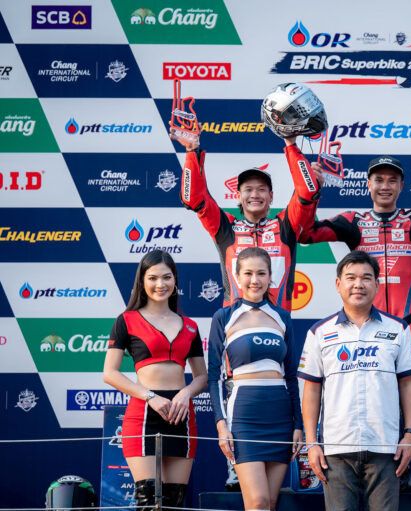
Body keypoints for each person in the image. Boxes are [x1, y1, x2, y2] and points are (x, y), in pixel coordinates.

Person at [173, 93, 323, 310]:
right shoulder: (226, 227)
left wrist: (290, 144)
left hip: (277, 324)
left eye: (261, 189)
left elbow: (307, 192)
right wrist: (191, 151)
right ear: (238, 196)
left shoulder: (285, 225)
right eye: (248, 190)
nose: (255, 195)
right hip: (235, 324)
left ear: (271, 197)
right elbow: (193, 198)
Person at [298, 250, 411, 511]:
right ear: (338, 284)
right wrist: (311, 443)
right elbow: (311, 390)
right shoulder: (320, 332)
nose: (358, 284)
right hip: (336, 448)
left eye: (366, 278)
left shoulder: (397, 329)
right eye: (351, 277)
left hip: (385, 446)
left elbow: (407, 384)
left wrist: (410, 434)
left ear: (377, 284)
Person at [301, 155, 411, 327]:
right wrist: (310, 190)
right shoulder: (353, 222)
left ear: (401, 186)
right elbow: (305, 233)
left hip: (409, 326)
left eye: (392, 181)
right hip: (367, 326)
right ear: (369, 184)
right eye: (379, 180)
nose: (385, 186)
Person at [103, 249, 207, 508]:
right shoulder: (126, 321)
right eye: (153, 278)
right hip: (143, 415)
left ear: (175, 280)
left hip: (181, 416)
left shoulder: (190, 325)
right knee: (148, 502)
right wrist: (150, 397)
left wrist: (186, 393)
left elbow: (202, 377)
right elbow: (110, 374)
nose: (160, 284)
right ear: (142, 281)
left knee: (174, 503)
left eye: (167, 277)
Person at [207, 247, 303, 511]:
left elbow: (291, 376)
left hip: (280, 417)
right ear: (237, 277)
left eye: (261, 273)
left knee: (270, 502)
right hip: (244, 417)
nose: (254, 280)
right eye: (248, 273)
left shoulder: (282, 317)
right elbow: (214, 377)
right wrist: (221, 426)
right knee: (258, 501)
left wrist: (298, 424)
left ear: (270, 277)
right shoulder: (224, 317)